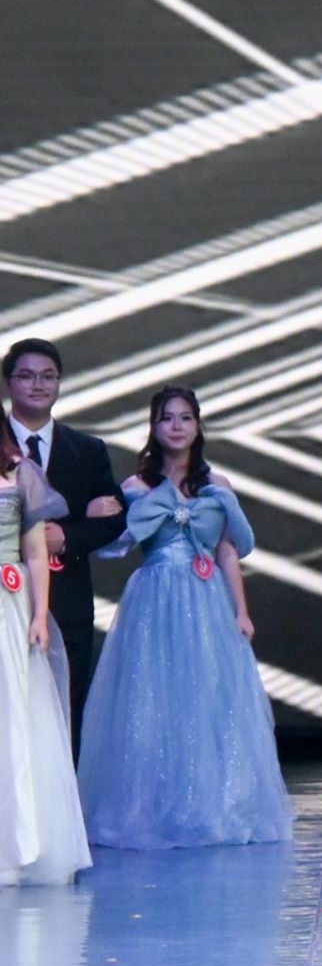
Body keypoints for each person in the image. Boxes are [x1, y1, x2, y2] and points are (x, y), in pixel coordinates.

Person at [75, 387, 293, 849]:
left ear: (198, 425)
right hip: (153, 600)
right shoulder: (136, 487)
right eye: (166, 418)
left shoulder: (217, 485)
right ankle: (149, 808)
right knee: (151, 699)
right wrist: (96, 513)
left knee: (207, 697)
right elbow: (115, 544)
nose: (176, 426)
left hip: (206, 599)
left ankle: (208, 806)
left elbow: (228, 550)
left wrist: (242, 611)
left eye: (185, 418)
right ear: (153, 426)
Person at [5, 339, 126, 755]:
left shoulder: (87, 450)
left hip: (68, 599)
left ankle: (62, 796)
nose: (38, 384)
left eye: (48, 376)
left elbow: (116, 517)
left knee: (64, 712)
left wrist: (67, 537)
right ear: (8, 383)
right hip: (7, 594)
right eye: (26, 375)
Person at [0, 408, 91, 884]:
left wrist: (39, 615)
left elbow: (36, 551)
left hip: (8, 605)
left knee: (13, 714)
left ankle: (17, 845)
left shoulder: (21, 473)